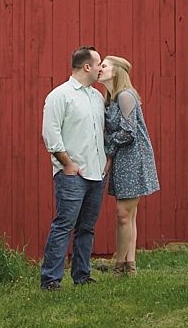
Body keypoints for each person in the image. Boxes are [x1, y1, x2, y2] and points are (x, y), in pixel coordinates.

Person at [39, 46, 107, 290]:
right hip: (72, 174)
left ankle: (82, 275)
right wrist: (67, 164)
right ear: (86, 66)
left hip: (97, 173)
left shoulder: (97, 97)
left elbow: (103, 132)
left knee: (86, 228)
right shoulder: (60, 95)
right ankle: (51, 280)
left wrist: (105, 163)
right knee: (63, 226)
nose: (101, 68)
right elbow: (50, 134)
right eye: (98, 63)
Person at [97, 55, 160, 276]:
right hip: (124, 159)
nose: (99, 69)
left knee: (123, 213)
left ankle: (119, 266)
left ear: (116, 72)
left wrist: (107, 149)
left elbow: (128, 132)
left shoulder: (125, 95)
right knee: (129, 214)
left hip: (134, 159)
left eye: (104, 66)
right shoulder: (111, 98)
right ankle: (129, 266)